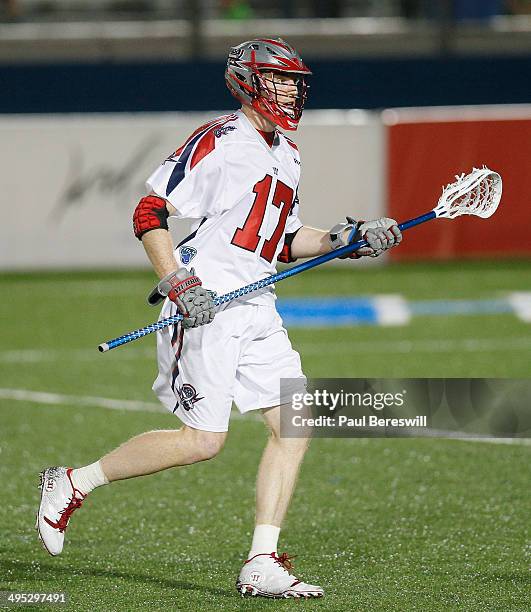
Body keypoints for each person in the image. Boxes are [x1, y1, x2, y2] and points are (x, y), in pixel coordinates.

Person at [36, 38, 402, 599]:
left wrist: (346, 238)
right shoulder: (221, 140)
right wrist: (179, 284)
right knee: (202, 442)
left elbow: (277, 240)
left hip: (256, 305)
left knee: (293, 424)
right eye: (281, 81)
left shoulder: (288, 153)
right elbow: (149, 211)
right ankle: (72, 482)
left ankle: (261, 560)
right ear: (250, 83)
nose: (292, 91)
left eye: (294, 82)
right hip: (208, 306)